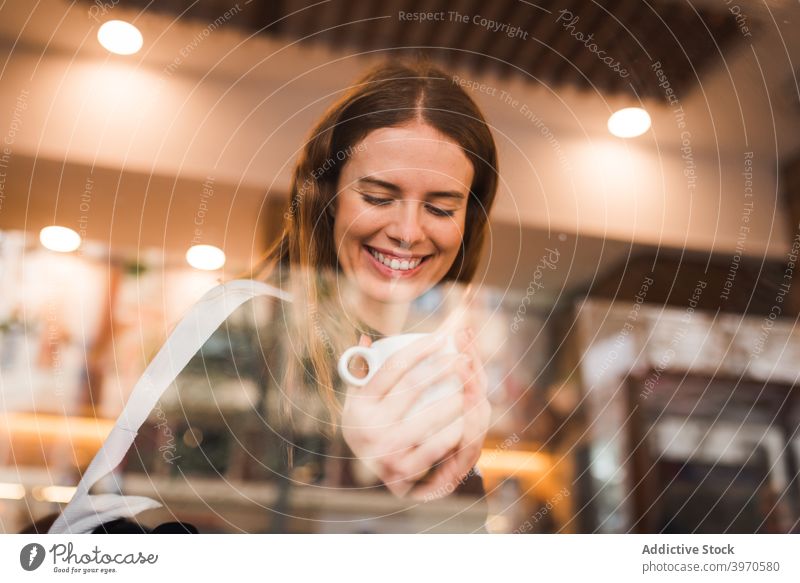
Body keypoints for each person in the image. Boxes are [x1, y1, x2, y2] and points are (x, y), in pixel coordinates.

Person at [247, 58, 499, 507]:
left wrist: (451, 477)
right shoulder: (244, 324)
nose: (407, 231)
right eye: (378, 197)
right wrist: (352, 469)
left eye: (441, 209)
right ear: (328, 197)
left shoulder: (447, 363)